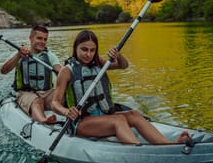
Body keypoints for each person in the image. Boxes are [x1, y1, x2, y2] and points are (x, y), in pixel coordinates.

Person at [51, 30, 191, 145]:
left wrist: (118, 56)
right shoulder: (67, 71)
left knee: (133, 114)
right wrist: (66, 111)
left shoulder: (99, 63)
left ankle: (167, 144)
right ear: (76, 48)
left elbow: (123, 65)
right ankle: (138, 149)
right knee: (119, 120)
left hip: (104, 116)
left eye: (92, 50)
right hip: (82, 122)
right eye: (84, 49)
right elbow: (55, 103)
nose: (88, 54)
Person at [0, 24, 62, 124]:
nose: (42, 42)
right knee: (37, 101)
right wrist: (18, 56)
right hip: (25, 93)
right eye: (39, 38)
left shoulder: (50, 55)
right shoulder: (20, 53)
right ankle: (43, 120)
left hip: (46, 92)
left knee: (62, 95)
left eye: (45, 39)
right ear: (31, 38)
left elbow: (61, 71)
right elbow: (3, 71)